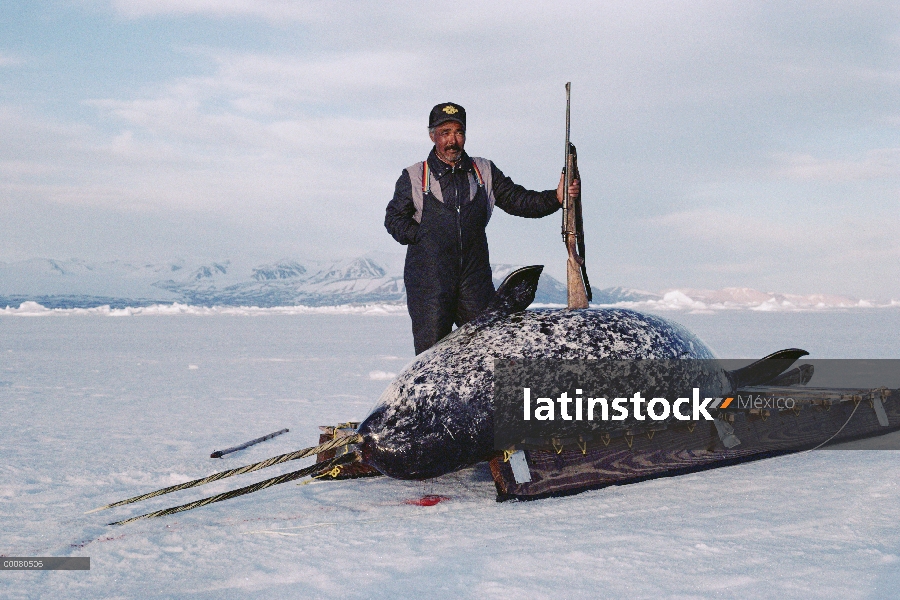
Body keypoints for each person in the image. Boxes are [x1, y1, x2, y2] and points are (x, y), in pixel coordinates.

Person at [384, 102, 580, 355]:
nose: (453, 140)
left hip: (473, 279)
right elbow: (394, 219)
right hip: (429, 282)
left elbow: (518, 200)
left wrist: (556, 198)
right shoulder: (414, 176)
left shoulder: (483, 171)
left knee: (488, 349)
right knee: (430, 356)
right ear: (432, 135)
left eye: (458, 132)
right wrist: (420, 236)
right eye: (445, 133)